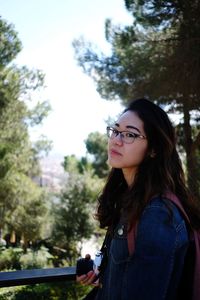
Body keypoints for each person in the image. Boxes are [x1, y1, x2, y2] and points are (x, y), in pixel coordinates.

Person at [76, 98, 200, 300]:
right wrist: (103, 270)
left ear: (153, 149)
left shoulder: (158, 214)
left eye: (130, 135)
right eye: (115, 131)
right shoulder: (131, 200)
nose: (116, 140)